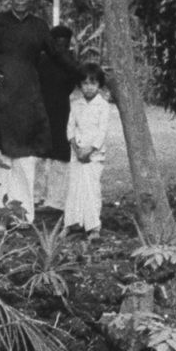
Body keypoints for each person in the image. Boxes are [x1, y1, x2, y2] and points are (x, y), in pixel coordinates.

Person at [0, 0, 81, 224]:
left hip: (28, 99)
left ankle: (22, 217)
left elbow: (58, 56)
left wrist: (88, 73)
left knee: (25, 160)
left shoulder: (39, 26)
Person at [64, 63, 112, 241]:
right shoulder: (75, 104)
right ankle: (71, 223)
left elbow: (102, 132)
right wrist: (77, 149)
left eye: (93, 83)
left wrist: (89, 151)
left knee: (91, 189)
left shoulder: (103, 106)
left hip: (94, 155)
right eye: (85, 83)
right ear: (79, 85)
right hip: (77, 154)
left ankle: (93, 227)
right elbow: (70, 128)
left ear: (99, 85)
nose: (89, 87)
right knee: (74, 188)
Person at [37, 25, 79, 211]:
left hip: (61, 111)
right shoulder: (41, 60)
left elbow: (71, 84)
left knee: (60, 155)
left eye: (65, 43)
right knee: (39, 155)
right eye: (58, 43)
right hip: (40, 111)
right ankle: (36, 196)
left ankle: (56, 200)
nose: (61, 47)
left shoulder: (70, 62)